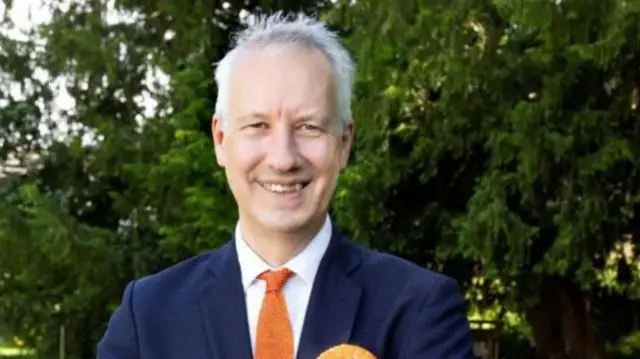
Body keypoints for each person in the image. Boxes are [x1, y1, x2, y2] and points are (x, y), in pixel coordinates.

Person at [97, 12, 475, 359]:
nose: (283, 158)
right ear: (220, 139)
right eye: (257, 125)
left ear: (344, 143)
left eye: (308, 126)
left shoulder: (419, 309)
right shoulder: (147, 316)